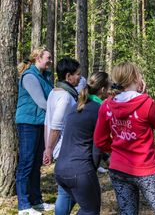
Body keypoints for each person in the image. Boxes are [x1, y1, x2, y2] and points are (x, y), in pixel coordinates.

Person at [94, 62, 155, 215]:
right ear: (135, 78)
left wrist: (116, 151)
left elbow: (100, 140)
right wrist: (144, 95)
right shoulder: (146, 103)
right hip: (146, 169)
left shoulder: (106, 105)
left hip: (119, 169)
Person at [54, 72, 110, 215]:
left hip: (61, 168)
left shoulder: (79, 106)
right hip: (80, 171)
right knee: (90, 210)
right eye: (108, 88)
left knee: (65, 204)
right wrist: (92, 168)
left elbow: (83, 137)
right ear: (103, 90)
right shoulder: (98, 110)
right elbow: (97, 144)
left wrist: (105, 158)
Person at [15, 47, 55, 215]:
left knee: (36, 163)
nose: (51, 61)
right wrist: (60, 113)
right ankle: (23, 206)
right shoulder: (30, 76)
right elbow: (42, 102)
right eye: (48, 57)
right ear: (38, 58)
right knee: (26, 163)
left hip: (40, 123)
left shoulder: (45, 77)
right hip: (28, 123)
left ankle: (36, 201)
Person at [43, 57, 82, 215]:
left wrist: (48, 148)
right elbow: (55, 127)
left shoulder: (54, 92)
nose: (80, 77)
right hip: (67, 150)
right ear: (68, 76)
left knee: (65, 193)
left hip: (62, 150)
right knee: (73, 192)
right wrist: (49, 149)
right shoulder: (66, 97)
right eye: (77, 74)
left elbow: (48, 122)